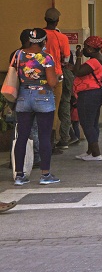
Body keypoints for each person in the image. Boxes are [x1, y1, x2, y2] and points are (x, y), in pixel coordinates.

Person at [12, 28, 60, 186]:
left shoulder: (18, 55)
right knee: (44, 136)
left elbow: (15, 74)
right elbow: (52, 82)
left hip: (23, 96)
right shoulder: (46, 57)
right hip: (43, 97)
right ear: (44, 42)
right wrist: (58, 78)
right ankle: (45, 174)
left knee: (22, 137)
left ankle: (19, 175)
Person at [72, 36, 102, 161]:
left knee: (87, 123)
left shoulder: (93, 61)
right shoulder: (100, 59)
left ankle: (96, 153)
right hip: (95, 93)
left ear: (92, 49)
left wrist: (79, 57)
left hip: (88, 94)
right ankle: (90, 151)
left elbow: (78, 72)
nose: (85, 49)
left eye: (87, 46)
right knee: (92, 123)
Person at [42, 7, 72, 152]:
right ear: (57, 21)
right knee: (53, 109)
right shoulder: (62, 38)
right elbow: (66, 59)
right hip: (56, 76)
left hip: (39, 77)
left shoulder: (38, 34)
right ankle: (51, 142)